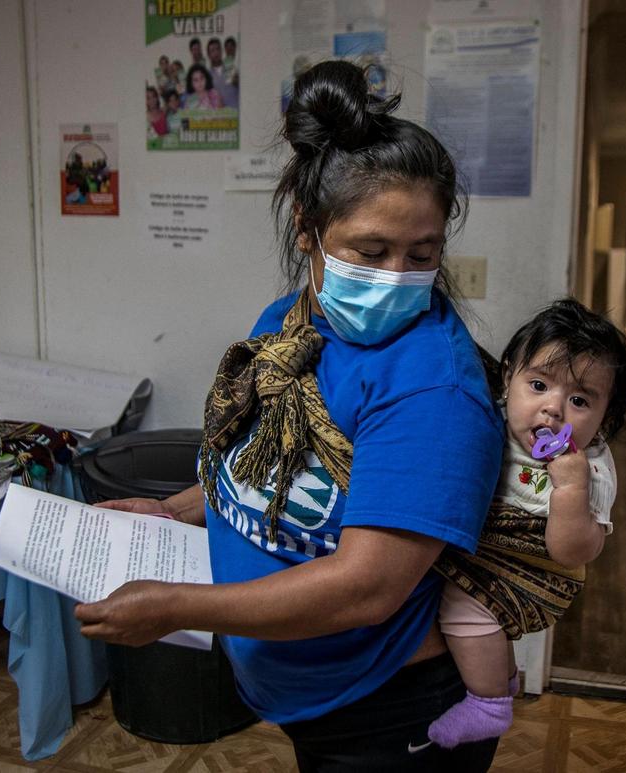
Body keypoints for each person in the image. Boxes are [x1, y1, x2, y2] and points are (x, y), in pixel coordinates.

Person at [75, 60, 505, 771]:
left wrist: (178, 606)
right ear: (308, 229)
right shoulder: (290, 326)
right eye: (372, 251)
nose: (399, 274)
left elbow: (367, 585)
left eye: (422, 254)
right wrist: (179, 512)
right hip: (309, 698)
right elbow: (264, 464)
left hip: (388, 713)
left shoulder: (435, 387)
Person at [427, 298, 626, 748]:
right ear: (508, 376)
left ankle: (489, 704)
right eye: (539, 384)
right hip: (484, 551)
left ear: (606, 417)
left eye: (580, 399)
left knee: (464, 607)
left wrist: (570, 491)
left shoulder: (590, 468)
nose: (552, 409)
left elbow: (574, 553)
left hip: (532, 571)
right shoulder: (490, 418)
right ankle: (504, 676)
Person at [206, 36, 238, 107]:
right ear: (208, 55)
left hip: (235, 113)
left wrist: (237, 82)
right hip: (219, 116)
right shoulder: (206, 76)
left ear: (221, 51)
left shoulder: (232, 68)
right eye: (212, 50)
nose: (216, 52)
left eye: (218, 49)